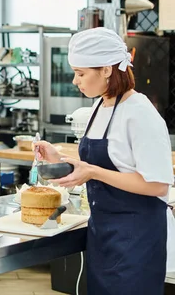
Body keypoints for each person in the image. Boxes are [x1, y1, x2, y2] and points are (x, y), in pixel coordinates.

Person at [35, 27, 175, 294]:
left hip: (137, 239)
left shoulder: (140, 113)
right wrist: (59, 158)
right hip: (103, 235)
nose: (76, 81)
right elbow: (106, 165)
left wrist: (93, 172)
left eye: (81, 73)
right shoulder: (99, 107)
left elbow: (158, 186)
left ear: (107, 70)